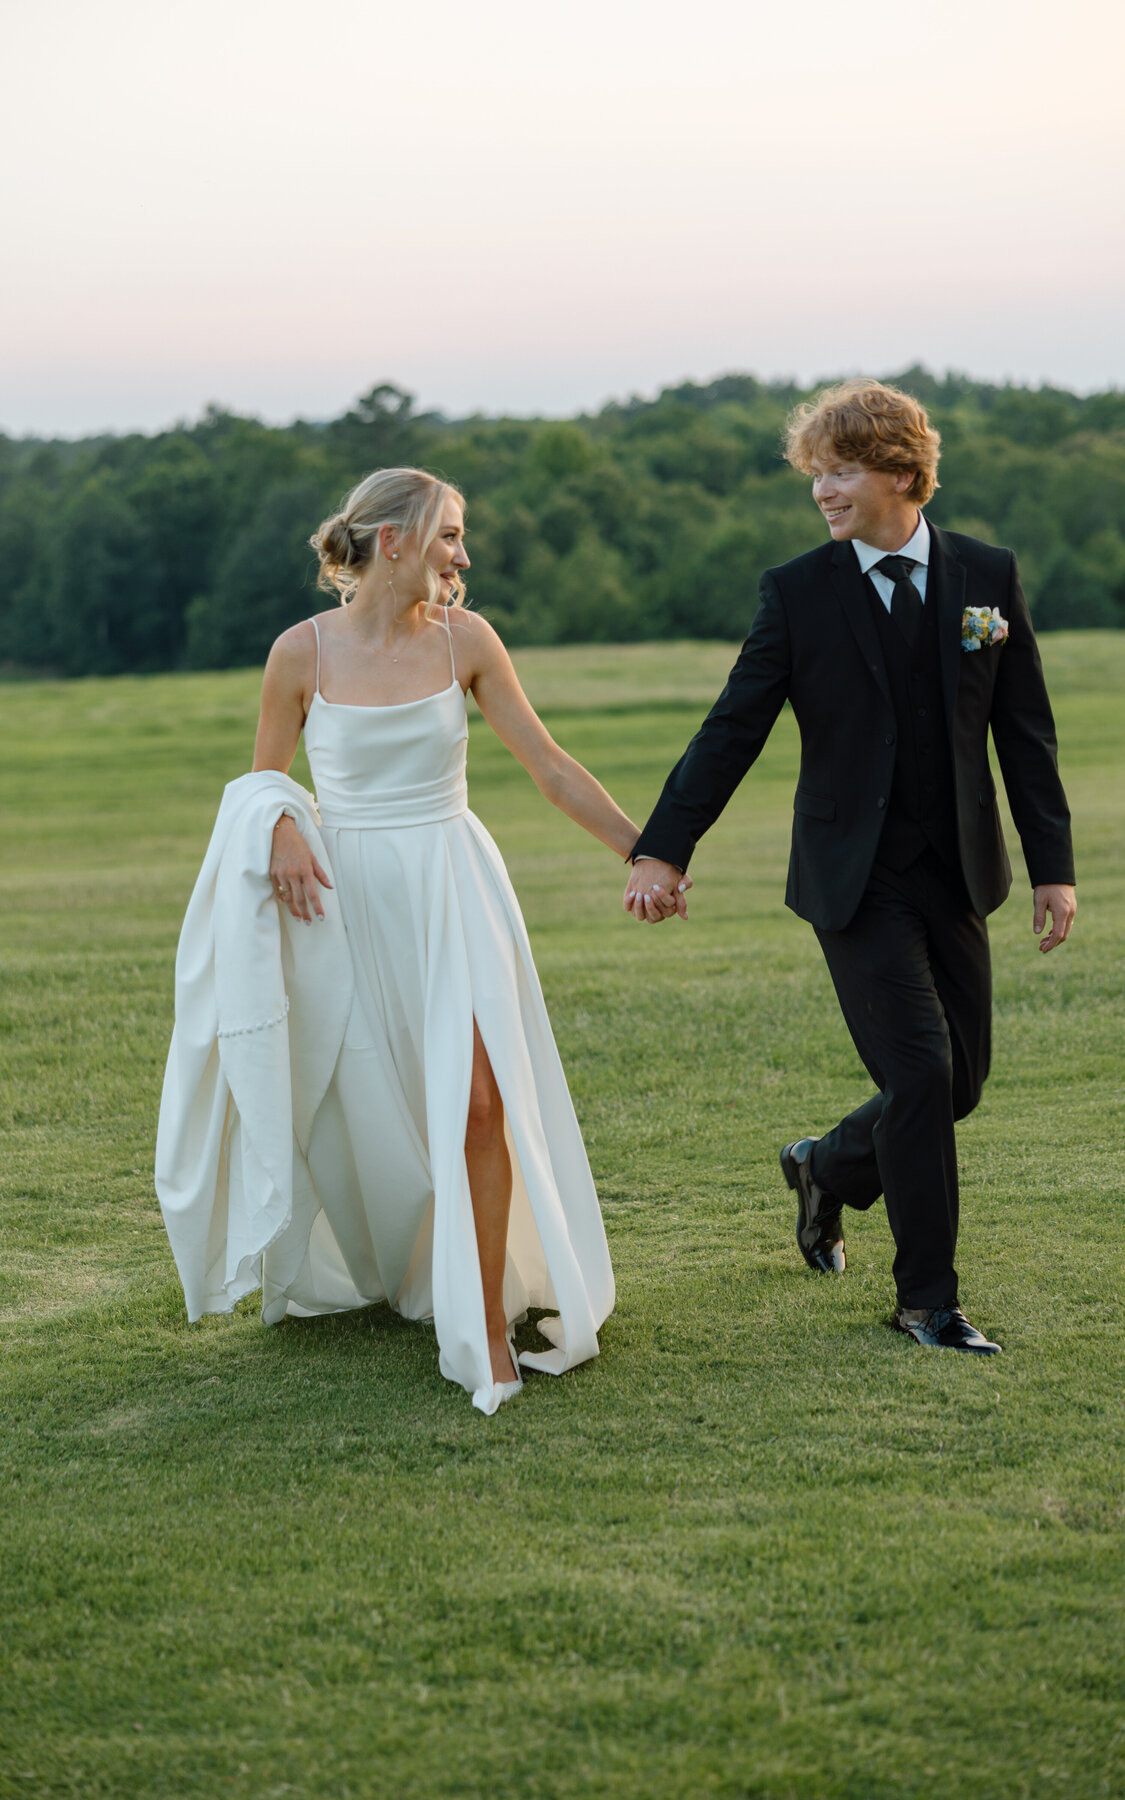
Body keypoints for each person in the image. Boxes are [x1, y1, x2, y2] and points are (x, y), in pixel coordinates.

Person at [156, 467, 683, 1413]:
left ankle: (481, 1321)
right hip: (349, 898)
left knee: (482, 1100)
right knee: (374, 1100)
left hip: (454, 885)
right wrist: (279, 826)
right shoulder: (299, 654)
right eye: (448, 535)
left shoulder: (466, 641)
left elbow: (550, 767)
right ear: (391, 540)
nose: (463, 555)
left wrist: (650, 854)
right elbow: (261, 782)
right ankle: (392, 1261)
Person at [624, 379, 1075, 1355]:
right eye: (815, 475)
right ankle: (928, 1303)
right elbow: (732, 728)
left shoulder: (986, 579)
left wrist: (1053, 867)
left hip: (957, 870)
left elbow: (1023, 733)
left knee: (957, 1084)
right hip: (851, 878)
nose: (824, 491)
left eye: (842, 472)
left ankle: (824, 1167)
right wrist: (663, 847)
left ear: (905, 476)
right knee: (919, 1074)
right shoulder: (798, 593)